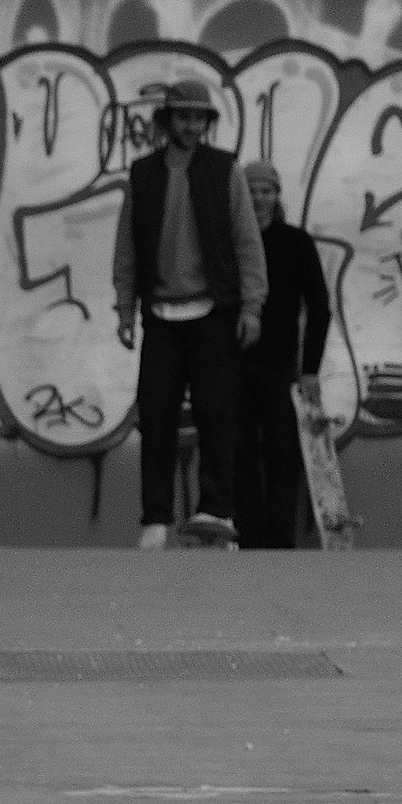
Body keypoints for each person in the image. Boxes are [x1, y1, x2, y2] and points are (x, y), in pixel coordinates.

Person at [112, 74, 268, 548]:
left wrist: (252, 307)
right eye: (184, 116)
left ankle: (215, 510)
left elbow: (247, 243)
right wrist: (124, 309)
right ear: (167, 120)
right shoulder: (143, 175)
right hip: (160, 315)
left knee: (217, 413)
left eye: (200, 117)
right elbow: (126, 250)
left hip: (214, 313)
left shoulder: (225, 171)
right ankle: (155, 519)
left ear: (207, 123)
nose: (192, 125)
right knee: (156, 415)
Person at [235, 159, 332, 548]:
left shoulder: (296, 243)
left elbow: (320, 308)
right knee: (238, 455)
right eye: (252, 190)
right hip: (234, 365)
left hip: (280, 368)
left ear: (277, 195)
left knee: (283, 453)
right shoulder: (229, 243)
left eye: (266, 191)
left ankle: (279, 543)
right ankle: (248, 540)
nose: (259, 198)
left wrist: (309, 370)